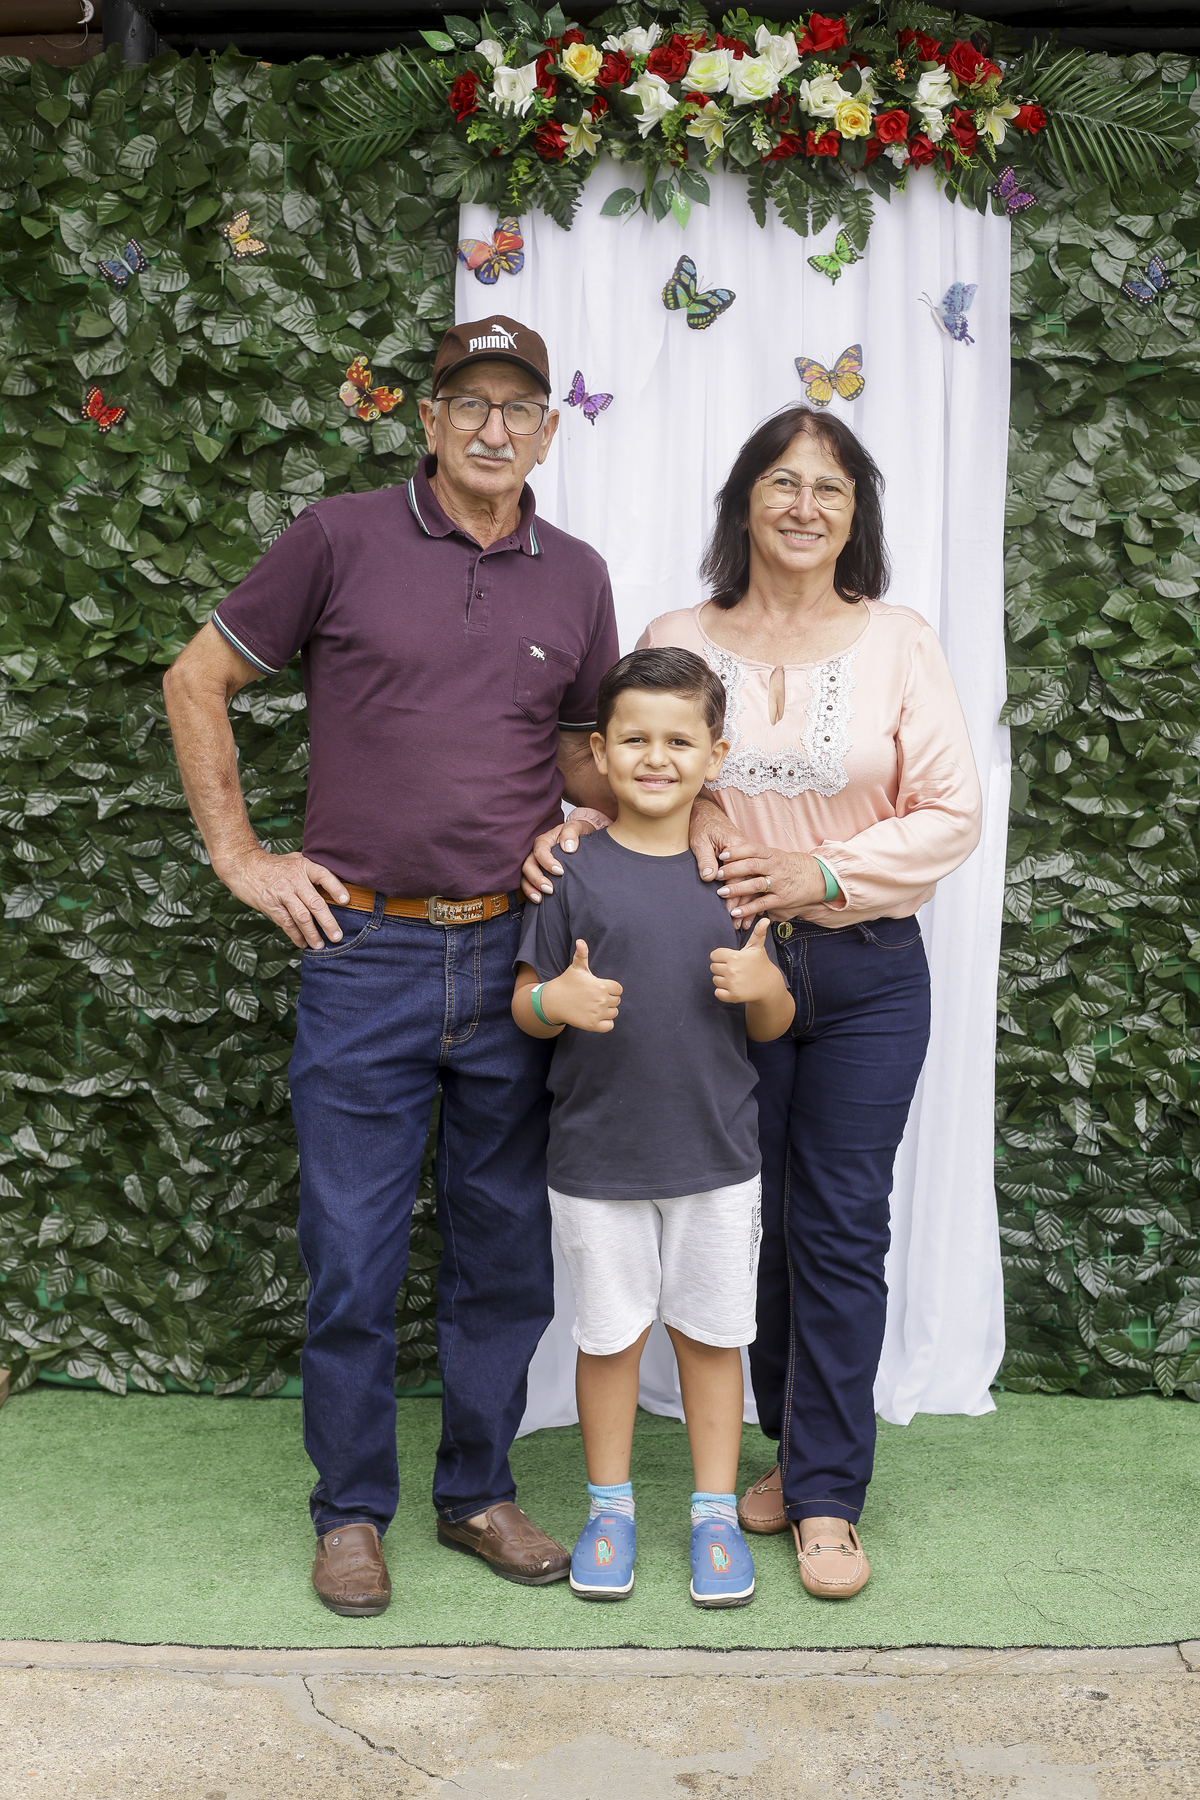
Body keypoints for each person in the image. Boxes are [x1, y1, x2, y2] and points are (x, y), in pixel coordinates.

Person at [162, 314, 620, 1616]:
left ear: (548, 431)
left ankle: (477, 1494)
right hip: (360, 951)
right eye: (468, 402)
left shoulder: (578, 578)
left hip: (513, 959)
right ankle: (351, 1513)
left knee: (504, 1256)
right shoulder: (338, 538)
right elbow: (196, 680)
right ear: (427, 419)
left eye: (518, 407)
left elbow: (577, 749)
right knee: (354, 1256)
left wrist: (597, 812)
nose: (493, 427)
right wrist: (243, 856)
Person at [523, 405, 981, 1600]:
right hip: (715, 974)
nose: (803, 505)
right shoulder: (680, 635)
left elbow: (951, 815)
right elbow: (646, 772)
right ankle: (781, 1451)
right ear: (744, 502)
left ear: (856, 513)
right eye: (781, 482)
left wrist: (818, 873)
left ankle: (825, 1494)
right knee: (747, 1221)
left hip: (868, 970)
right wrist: (562, 836)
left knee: (841, 1224)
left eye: (830, 488)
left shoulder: (901, 642)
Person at [512, 648, 795, 1608]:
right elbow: (524, 1004)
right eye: (634, 739)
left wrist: (765, 988)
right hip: (595, 1160)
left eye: (680, 740)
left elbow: (774, 1022)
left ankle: (715, 1517)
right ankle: (610, 1511)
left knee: (713, 1339)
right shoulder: (570, 870)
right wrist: (555, 1001)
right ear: (599, 751)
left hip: (717, 1158)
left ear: (716, 755)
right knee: (610, 1339)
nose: (657, 757)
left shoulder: (735, 877)